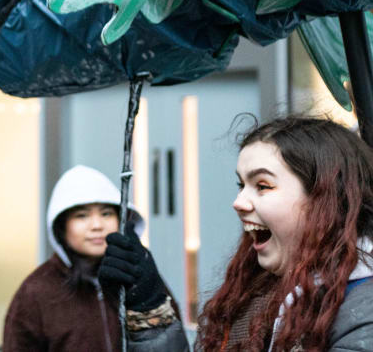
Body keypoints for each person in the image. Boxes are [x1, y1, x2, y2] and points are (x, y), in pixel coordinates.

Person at [100, 115, 373, 350]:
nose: (239, 202)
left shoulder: (363, 311)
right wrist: (149, 308)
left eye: (263, 185)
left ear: (326, 198)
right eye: (241, 184)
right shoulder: (255, 296)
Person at [3, 164, 179, 351]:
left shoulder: (139, 276)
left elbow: (172, 340)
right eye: (82, 216)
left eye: (106, 213)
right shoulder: (36, 291)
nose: (96, 225)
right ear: (62, 227)